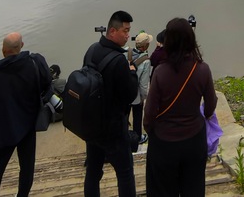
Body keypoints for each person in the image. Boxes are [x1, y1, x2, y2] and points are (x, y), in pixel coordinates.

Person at [143, 18, 217, 197]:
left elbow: (149, 113)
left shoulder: (160, 72)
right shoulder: (202, 69)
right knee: (193, 190)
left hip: (164, 143)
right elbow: (210, 106)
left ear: (169, 41)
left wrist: (150, 130)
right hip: (194, 140)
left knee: (162, 191)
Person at [0, 32, 51, 197]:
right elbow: (47, 85)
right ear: (21, 46)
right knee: (27, 167)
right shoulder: (35, 63)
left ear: (3, 51)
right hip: (28, 126)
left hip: (4, 130)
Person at [82, 11, 140, 197]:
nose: (128, 35)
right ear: (112, 31)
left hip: (92, 125)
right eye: (125, 31)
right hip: (113, 129)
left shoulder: (92, 50)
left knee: (93, 171)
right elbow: (130, 95)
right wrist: (132, 72)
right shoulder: (119, 60)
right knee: (125, 173)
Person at [129, 32, 153, 144]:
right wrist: (143, 97)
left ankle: (123, 137)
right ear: (145, 46)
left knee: (124, 117)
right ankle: (137, 138)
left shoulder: (126, 51)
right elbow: (143, 84)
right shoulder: (146, 61)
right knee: (137, 117)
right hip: (136, 95)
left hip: (124, 93)